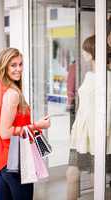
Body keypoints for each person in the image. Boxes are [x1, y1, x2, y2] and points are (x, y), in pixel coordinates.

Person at [0, 48, 50, 200]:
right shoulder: (12, 94)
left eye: (20, 64)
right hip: (16, 161)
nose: (19, 69)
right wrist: (37, 125)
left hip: (2, 161)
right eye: (13, 65)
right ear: (4, 66)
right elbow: (5, 132)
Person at [66, 35, 95, 200]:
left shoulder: (95, 76)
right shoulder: (85, 72)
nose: (83, 53)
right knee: (73, 172)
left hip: (91, 131)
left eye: (85, 49)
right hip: (82, 129)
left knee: (91, 171)